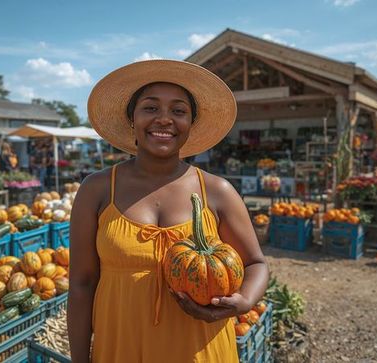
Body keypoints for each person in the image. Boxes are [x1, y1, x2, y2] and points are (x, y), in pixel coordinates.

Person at [69, 60, 269, 363]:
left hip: (202, 352)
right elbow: (82, 285)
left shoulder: (217, 191)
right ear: (131, 119)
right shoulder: (96, 190)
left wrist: (243, 301)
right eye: (150, 108)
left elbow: (256, 263)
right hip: (120, 350)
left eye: (178, 111)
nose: (164, 119)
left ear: (191, 124)